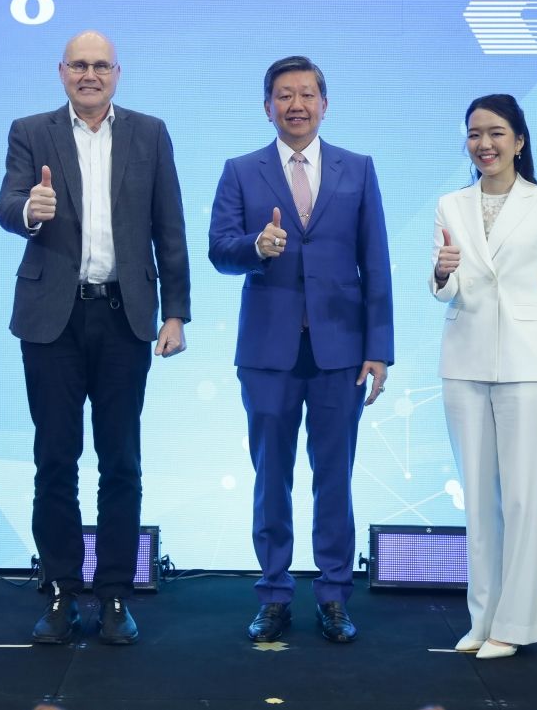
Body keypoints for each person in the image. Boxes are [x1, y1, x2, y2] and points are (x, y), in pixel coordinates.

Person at [0, 30, 191, 645]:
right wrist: (29, 211)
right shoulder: (31, 131)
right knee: (55, 460)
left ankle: (113, 594)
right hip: (51, 321)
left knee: (121, 462)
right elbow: (6, 204)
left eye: (101, 65)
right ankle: (60, 591)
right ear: (61, 72)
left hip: (124, 317)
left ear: (117, 73)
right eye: (79, 65)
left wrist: (176, 312)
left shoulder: (150, 133)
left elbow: (169, 226)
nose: (90, 74)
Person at [209, 56, 393, 644]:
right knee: (271, 477)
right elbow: (219, 250)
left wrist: (379, 348)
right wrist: (255, 246)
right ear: (267, 106)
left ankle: (335, 595)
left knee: (335, 477)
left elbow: (376, 262)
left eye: (307, 94)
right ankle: (273, 594)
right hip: (268, 351)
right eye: (284, 95)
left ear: (325, 103)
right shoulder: (241, 171)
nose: (296, 105)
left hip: (342, 351)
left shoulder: (357, 169)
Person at [429, 94, 537, 659]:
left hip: (529, 366)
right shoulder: (451, 204)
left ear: (518, 140)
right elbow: (447, 288)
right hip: (464, 362)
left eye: (495, 133)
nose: (484, 144)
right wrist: (441, 273)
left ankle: (513, 625)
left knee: (523, 500)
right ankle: (481, 619)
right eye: (474, 134)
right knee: (478, 502)